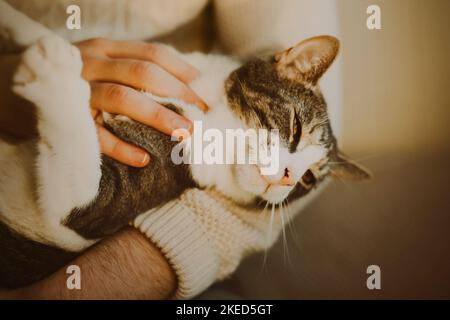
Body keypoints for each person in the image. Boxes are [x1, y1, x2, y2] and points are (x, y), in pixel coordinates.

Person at [0, 0, 341, 299]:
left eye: (307, 178)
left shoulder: (188, 161)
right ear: (288, 64)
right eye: (295, 132)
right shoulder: (202, 89)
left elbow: (77, 207)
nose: (289, 177)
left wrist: (62, 98)